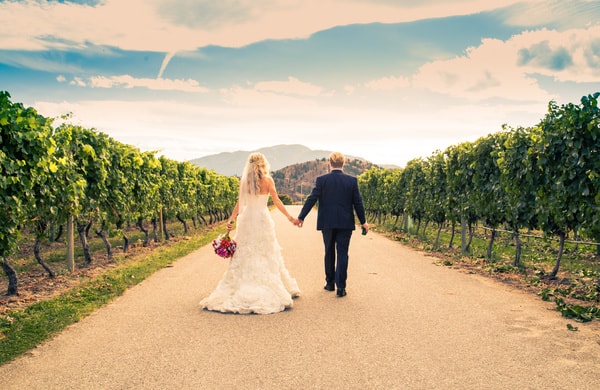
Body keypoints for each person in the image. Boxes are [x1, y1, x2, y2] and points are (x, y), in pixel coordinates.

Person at [200, 152, 300, 314]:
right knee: (266, 251)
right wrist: (290, 217)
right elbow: (277, 201)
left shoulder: (245, 182)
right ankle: (271, 285)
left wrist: (231, 220)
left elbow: (240, 203)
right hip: (262, 219)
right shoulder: (268, 180)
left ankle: (241, 284)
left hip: (247, 220)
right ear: (263, 164)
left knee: (245, 251)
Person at [296, 152, 368, 297]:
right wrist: (363, 222)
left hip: (327, 222)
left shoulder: (322, 180)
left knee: (329, 251)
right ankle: (341, 287)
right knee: (342, 253)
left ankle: (330, 284)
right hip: (345, 223)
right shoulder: (352, 181)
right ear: (343, 163)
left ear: (330, 163)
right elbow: (358, 203)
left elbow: (312, 198)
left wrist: (301, 217)